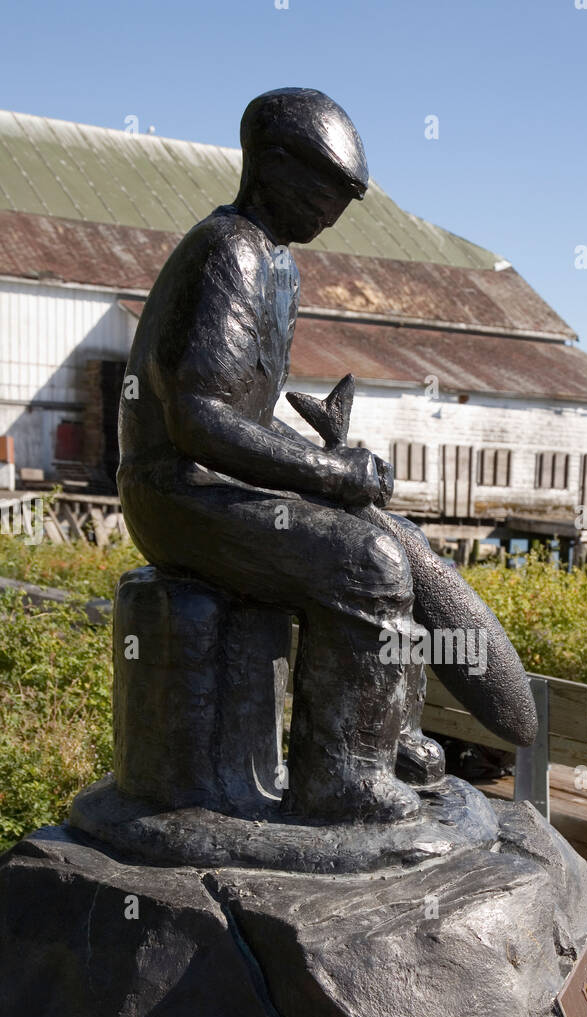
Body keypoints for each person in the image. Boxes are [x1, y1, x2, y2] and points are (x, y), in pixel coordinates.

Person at [118, 87, 441, 823]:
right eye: (326, 191)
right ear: (272, 165)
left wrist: (333, 471)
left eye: (346, 200)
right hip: (175, 491)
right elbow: (200, 418)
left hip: (217, 477)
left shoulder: (279, 267)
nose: (333, 212)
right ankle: (340, 779)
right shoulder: (227, 251)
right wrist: (329, 473)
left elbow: (250, 418)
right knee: (368, 563)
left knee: (401, 543)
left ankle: (386, 733)